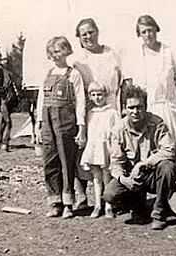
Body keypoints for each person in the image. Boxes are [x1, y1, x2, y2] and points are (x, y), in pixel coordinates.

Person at [103, 84, 176, 230]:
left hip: (154, 175)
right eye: (131, 108)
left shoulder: (157, 123)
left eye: (139, 107)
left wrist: (143, 164)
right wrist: (125, 180)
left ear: (146, 106)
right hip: (133, 177)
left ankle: (159, 212)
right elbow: (116, 163)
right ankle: (139, 206)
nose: (135, 112)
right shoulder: (118, 130)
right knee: (110, 194)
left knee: (167, 166)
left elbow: (168, 151)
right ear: (124, 109)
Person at [71, 18, 123, 211]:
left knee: (111, 154)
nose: (88, 36)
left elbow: (121, 84)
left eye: (91, 32)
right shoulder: (77, 60)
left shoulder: (111, 54)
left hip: (110, 110)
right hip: (87, 111)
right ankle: (83, 196)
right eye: (83, 34)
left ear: (97, 32)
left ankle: (112, 199)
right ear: (79, 38)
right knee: (84, 154)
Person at [36, 36, 86, 219]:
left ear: (66, 51)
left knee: (66, 161)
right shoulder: (48, 73)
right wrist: (38, 125)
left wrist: (81, 127)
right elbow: (41, 100)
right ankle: (54, 202)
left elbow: (81, 101)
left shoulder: (73, 74)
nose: (54, 55)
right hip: (47, 121)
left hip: (66, 122)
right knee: (50, 160)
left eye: (58, 51)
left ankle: (68, 204)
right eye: (51, 52)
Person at [123, 15, 176, 139]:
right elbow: (128, 86)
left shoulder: (171, 53)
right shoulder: (134, 56)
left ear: (156, 30)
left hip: (168, 108)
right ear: (139, 34)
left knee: (173, 142)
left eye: (150, 30)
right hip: (144, 110)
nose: (148, 35)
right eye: (144, 32)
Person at [80, 82, 120, 218]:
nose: (97, 98)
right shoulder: (90, 113)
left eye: (100, 95)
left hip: (106, 147)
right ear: (90, 97)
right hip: (93, 147)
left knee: (106, 175)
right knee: (96, 177)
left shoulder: (112, 112)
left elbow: (117, 131)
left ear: (105, 95)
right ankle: (97, 204)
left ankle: (109, 205)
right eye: (94, 95)